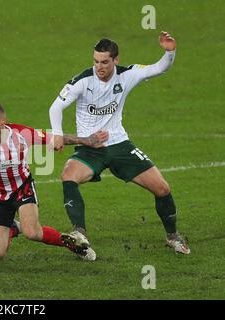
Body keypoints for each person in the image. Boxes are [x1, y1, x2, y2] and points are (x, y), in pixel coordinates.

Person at [49, 31, 190, 261]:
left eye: (104, 62)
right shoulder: (82, 80)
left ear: (115, 60)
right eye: (95, 61)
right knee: (68, 176)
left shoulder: (127, 75)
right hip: (90, 147)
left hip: (120, 144)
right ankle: (79, 233)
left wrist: (169, 51)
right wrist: (56, 133)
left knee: (162, 188)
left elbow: (159, 68)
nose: (99, 67)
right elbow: (55, 108)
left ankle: (173, 236)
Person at [0, 103, 108, 260]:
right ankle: (13, 226)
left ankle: (73, 245)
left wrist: (87, 141)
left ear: (2, 121)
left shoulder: (21, 134)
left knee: (32, 232)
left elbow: (56, 138)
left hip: (22, 188)